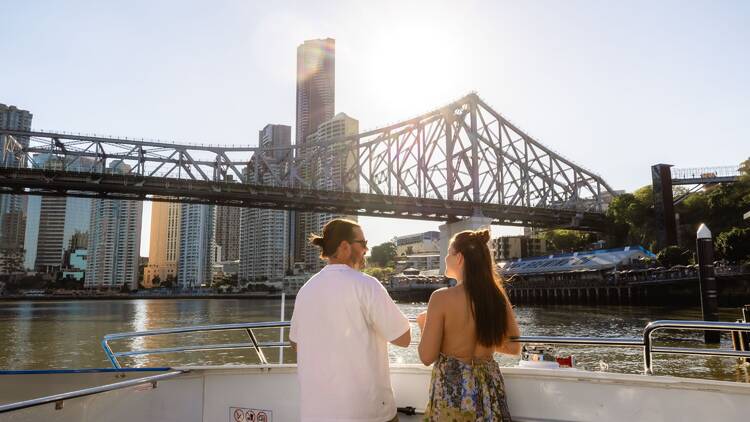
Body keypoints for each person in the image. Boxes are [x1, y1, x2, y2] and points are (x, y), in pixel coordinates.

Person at [290, 219, 411, 422]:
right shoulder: (366, 285)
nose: (366, 249)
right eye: (363, 243)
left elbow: (295, 343)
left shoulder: (306, 290)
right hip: (367, 414)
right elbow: (403, 338)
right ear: (345, 246)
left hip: (316, 414)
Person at [417, 229, 521, 421]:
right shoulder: (497, 297)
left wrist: (424, 324)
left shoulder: (441, 298)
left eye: (449, 252)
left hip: (453, 392)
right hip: (490, 388)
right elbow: (514, 347)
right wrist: (482, 335)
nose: (446, 258)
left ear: (459, 258)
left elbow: (426, 356)